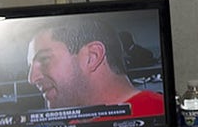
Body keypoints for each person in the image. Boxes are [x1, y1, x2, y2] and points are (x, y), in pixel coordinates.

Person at [27, 18, 164, 120]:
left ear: (92, 57)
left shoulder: (159, 114)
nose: (32, 79)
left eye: (44, 59)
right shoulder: (77, 126)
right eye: (30, 66)